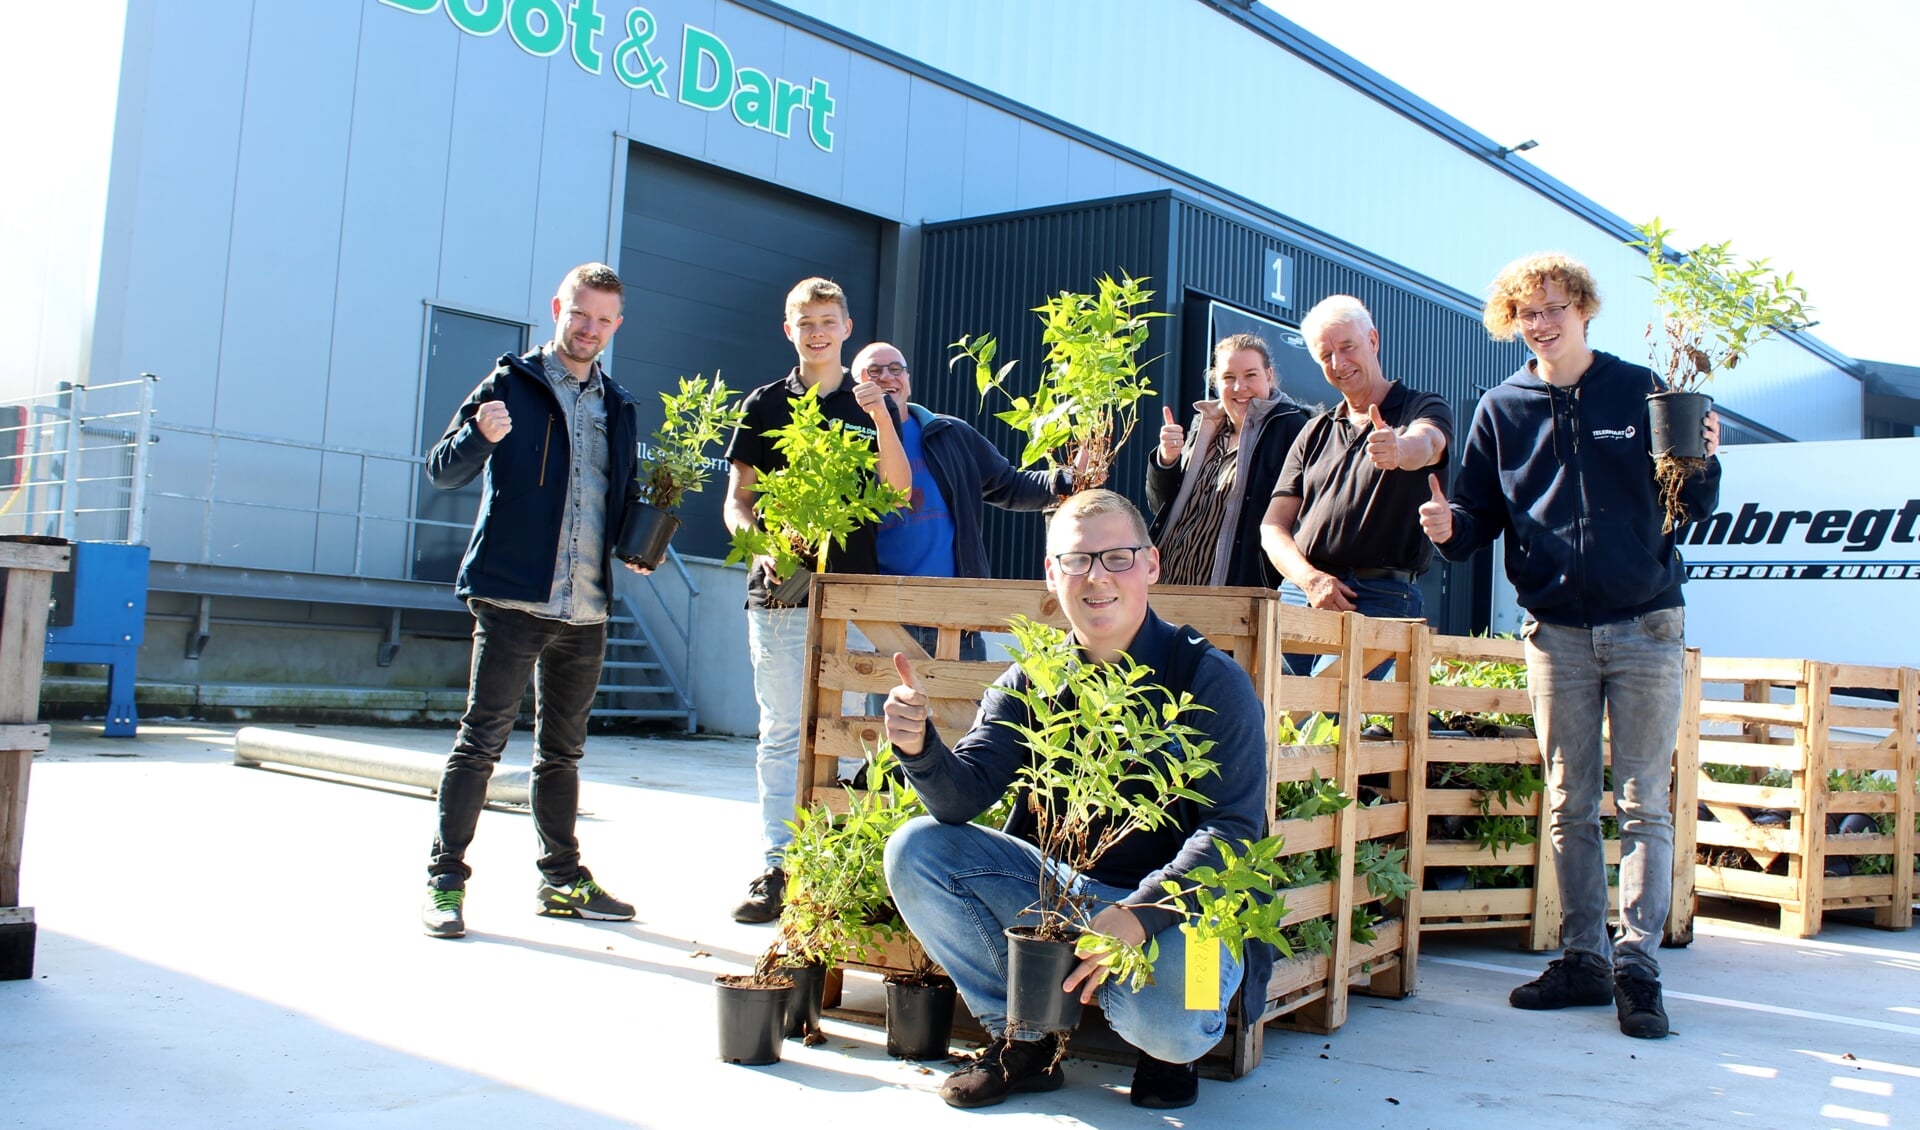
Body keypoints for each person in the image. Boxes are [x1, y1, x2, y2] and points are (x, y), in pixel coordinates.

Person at [880, 490, 1270, 1111]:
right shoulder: (1035, 677)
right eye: (1077, 560)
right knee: (916, 849)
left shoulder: (1208, 679)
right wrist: (921, 747)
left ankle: (1175, 1051)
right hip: (1064, 896)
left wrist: (1140, 914)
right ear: (1051, 573)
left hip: (1189, 914)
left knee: (1176, 1027)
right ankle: (1027, 1037)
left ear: (1151, 565)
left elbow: (1236, 832)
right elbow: (963, 799)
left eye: (1117, 558)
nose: (1097, 578)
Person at [1419, 253, 1720, 1040]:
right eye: (1528, 313)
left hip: (1647, 621)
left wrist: (1705, 458)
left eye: (1554, 307)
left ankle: (1638, 966)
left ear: (1583, 308)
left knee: (1643, 801)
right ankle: (1584, 958)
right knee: (1567, 801)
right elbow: (1478, 517)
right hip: (1554, 632)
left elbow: (1685, 504)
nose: (1542, 322)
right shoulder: (1500, 407)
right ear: (1512, 324)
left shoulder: (1637, 388)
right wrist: (1452, 532)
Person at [420, 262, 645, 939]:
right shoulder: (510, 384)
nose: (591, 329)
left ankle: (562, 880)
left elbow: (620, 494)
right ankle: (445, 883)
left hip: (586, 607)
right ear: (558, 308)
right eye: (581, 314)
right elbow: (442, 469)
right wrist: (477, 436)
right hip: (514, 597)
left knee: (563, 753)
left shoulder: (618, 404)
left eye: (604, 319)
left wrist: (639, 537)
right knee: (481, 743)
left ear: (617, 325)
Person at [721, 279, 909, 924]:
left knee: (849, 732)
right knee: (781, 730)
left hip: (853, 595)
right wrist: (758, 544)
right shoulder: (765, 404)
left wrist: (881, 415)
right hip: (781, 591)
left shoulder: (870, 405)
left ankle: (832, 866)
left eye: (828, 321)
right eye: (806, 322)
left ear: (846, 327)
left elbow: (898, 492)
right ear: (789, 330)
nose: (817, 332)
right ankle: (776, 865)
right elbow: (737, 498)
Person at [1259, 295, 1453, 675]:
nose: (1338, 363)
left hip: (1382, 595)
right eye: (1325, 355)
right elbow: (1272, 526)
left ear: (1374, 340)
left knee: (1331, 718)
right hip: (1302, 593)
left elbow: (1429, 443)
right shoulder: (1314, 430)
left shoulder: (1422, 407)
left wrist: (1399, 449)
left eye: (1347, 347)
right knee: (1271, 711)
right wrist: (1310, 579)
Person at [852, 339, 1069, 662]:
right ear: (856, 387)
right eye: (873, 371)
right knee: (891, 714)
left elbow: (1009, 485)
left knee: (966, 713)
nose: (886, 377)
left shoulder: (949, 433)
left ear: (908, 381)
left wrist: (1064, 480)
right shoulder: (847, 443)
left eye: (896, 369)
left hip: (956, 611)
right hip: (884, 615)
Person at [1146, 333, 1310, 588]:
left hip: (1230, 594)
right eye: (1229, 377)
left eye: (1250, 375)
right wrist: (1167, 459)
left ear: (1269, 375)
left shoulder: (1295, 429)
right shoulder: (1204, 426)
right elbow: (1160, 507)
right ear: (1216, 381)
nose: (1239, 387)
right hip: (1167, 583)